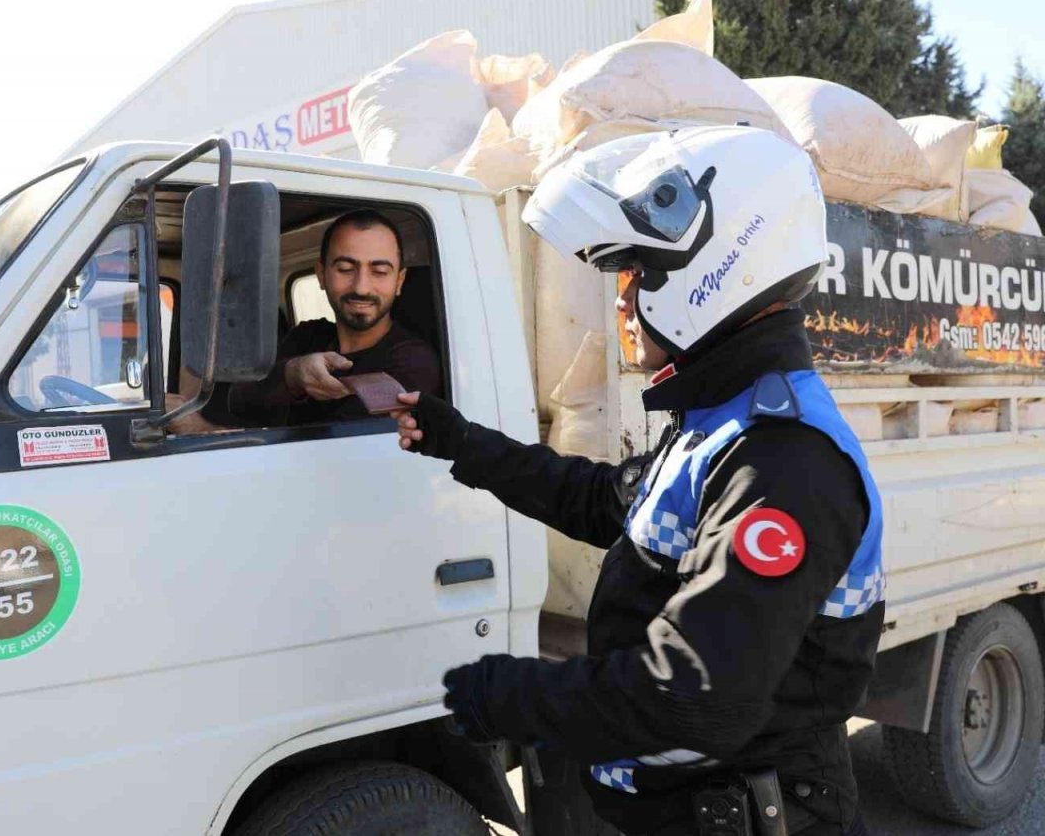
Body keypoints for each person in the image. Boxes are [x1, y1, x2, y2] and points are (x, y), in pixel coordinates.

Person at [393, 127, 882, 836]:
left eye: (638, 273)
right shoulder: (719, 420)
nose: (623, 302)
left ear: (722, 265)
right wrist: (459, 441)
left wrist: (510, 694)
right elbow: (606, 501)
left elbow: (695, 694)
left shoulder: (782, 459)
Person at [229, 209, 441, 426]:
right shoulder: (307, 337)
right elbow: (238, 402)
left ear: (399, 282)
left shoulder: (414, 363)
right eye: (345, 269)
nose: (361, 287)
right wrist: (292, 375)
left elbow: (338, 449)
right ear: (321, 275)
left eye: (379, 271)